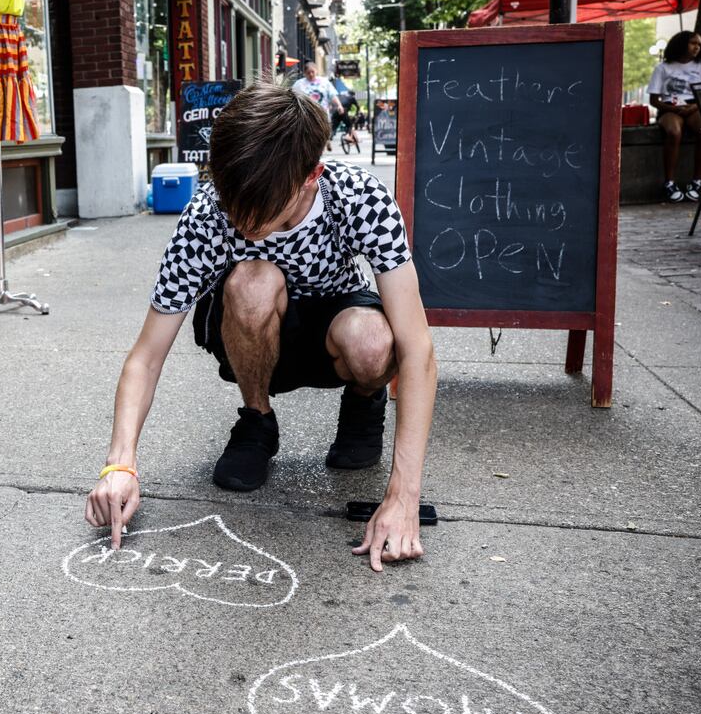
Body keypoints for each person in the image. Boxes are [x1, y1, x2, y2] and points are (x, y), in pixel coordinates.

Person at [84, 83, 437, 572]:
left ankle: (362, 400)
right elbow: (146, 354)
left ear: (311, 175)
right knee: (253, 277)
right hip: (254, 331)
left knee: (375, 338)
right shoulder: (208, 214)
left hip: (336, 320)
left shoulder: (359, 198)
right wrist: (119, 464)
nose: (241, 218)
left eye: (260, 207)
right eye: (233, 202)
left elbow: (418, 349)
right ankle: (256, 421)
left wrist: (403, 495)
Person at [647, 31, 701, 203]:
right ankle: (669, 182)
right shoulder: (663, 68)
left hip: (693, 106)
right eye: (692, 43)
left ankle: (697, 181)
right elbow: (653, 100)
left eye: (699, 44)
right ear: (681, 44)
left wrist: (694, 106)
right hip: (669, 108)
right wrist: (672, 109)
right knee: (674, 132)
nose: (696, 47)